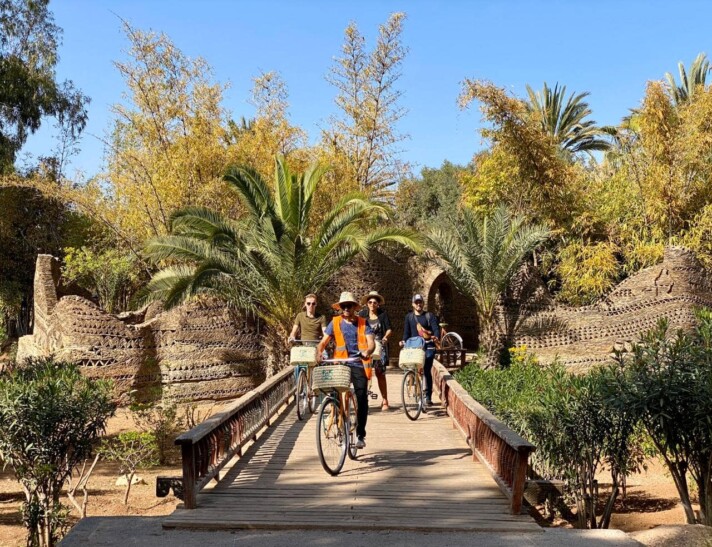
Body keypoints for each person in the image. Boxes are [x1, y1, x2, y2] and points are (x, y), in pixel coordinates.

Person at [317, 291, 375, 449]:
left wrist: (367, 352)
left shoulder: (363, 323)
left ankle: (360, 434)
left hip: (358, 363)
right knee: (334, 395)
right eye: (344, 306)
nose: (346, 308)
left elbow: (371, 343)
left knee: (362, 398)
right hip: (340, 364)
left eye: (349, 306)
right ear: (340, 308)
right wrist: (319, 353)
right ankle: (340, 423)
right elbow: (323, 342)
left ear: (354, 308)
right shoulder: (335, 323)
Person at [399, 293, 440, 406]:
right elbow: (406, 333)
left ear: (423, 303)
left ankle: (427, 396)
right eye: (416, 302)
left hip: (428, 345)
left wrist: (436, 336)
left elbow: (436, 329)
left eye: (420, 302)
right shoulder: (409, 317)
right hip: (415, 347)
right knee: (412, 367)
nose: (418, 304)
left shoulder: (429, 316)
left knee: (426, 369)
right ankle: (415, 385)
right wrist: (403, 341)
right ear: (413, 304)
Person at [358, 290, 393, 410]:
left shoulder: (383, 315)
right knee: (364, 374)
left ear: (378, 304)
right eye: (370, 302)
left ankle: (384, 400)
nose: (372, 304)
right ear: (367, 304)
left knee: (380, 373)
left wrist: (385, 337)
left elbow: (389, 329)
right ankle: (363, 400)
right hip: (366, 346)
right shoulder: (362, 315)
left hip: (379, 346)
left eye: (375, 302)